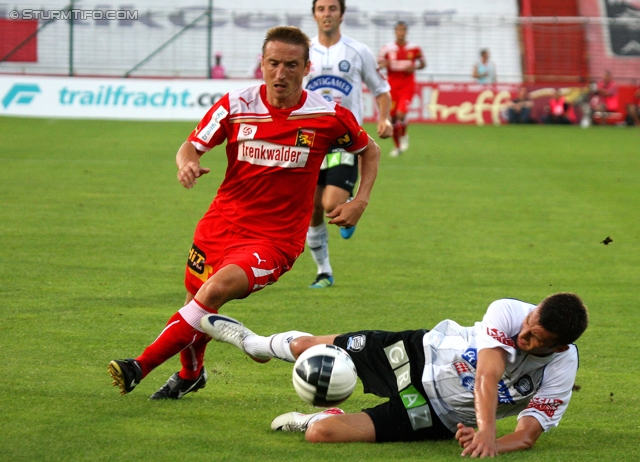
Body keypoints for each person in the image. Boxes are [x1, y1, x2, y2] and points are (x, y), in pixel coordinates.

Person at [108, 26, 381, 400]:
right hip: (219, 225)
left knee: (214, 290)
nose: (280, 73)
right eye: (273, 63)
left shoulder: (327, 115)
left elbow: (371, 150)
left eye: (290, 65)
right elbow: (191, 145)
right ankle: (191, 374)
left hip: (275, 239)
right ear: (262, 64)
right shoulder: (236, 105)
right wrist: (186, 163)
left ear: (306, 68)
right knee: (196, 305)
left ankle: (139, 366)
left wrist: (360, 199)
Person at [201, 292, 588, 457]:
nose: (524, 335)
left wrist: (487, 444)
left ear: (558, 347)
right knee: (310, 348)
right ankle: (256, 345)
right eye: (529, 324)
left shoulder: (561, 366)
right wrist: (488, 428)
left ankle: (321, 416)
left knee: (322, 436)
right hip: (413, 354)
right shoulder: (508, 310)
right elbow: (488, 375)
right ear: (533, 309)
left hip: (434, 416)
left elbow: (525, 436)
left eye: (536, 339)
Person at [304, 0, 393, 289]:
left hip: (344, 139)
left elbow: (381, 89)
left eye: (332, 8)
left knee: (331, 204)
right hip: (309, 140)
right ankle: (324, 271)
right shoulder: (304, 53)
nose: (326, 14)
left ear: (341, 14)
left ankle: (350, 203)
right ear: (314, 14)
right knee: (312, 209)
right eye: (321, 9)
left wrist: (384, 118)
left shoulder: (358, 51)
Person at [378, 21, 426, 157]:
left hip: (407, 86)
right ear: (395, 32)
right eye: (398, 30)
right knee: (392, 119)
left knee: (400, 114)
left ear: (406, 32)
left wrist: (415, 67)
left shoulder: (414, 48)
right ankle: (398, 147)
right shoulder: (386, 49)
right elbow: (378, 64)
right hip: (391, 87)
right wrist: (384, 63)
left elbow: (423, 63)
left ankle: (404, 135)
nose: (401, 32)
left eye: (403, 30)